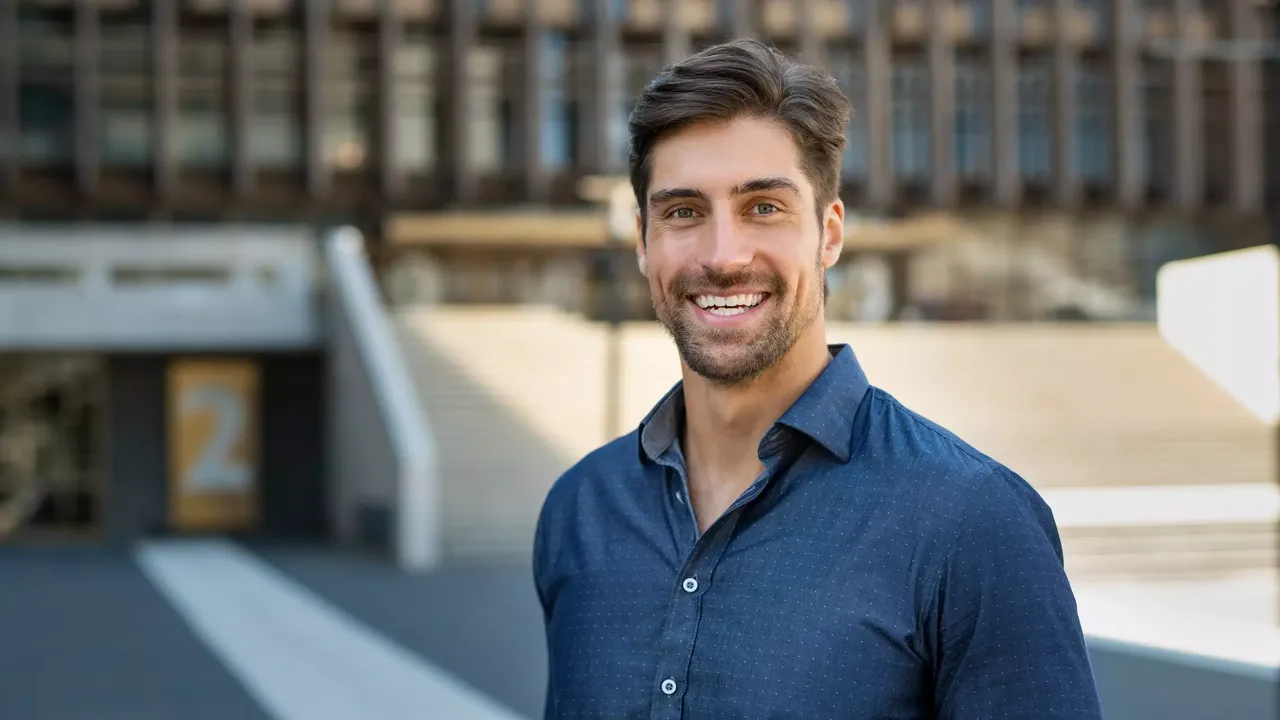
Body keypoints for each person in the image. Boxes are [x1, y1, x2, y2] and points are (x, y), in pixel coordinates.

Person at [532, 39, 1103, 719]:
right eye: (683, 212)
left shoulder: (973, 522)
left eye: (764, 208)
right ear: (642, 240)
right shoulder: (580, 510)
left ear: (829, 233)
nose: (723, 256)